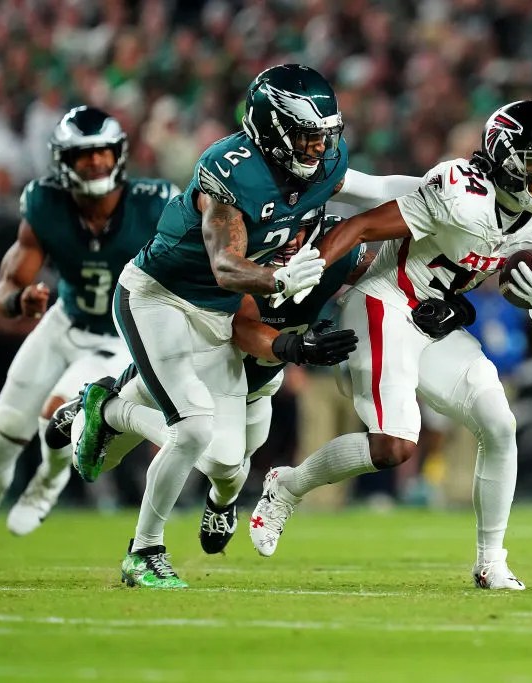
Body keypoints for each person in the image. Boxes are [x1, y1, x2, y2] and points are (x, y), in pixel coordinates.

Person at [71, 64, 420, 588]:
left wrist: (446, 194)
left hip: (219, 312)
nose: (317, 150)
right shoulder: (230, 169)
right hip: (161, 296)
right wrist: (280, 280)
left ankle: (115, 407)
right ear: (271, 128)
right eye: (305, 137)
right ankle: (144, 549)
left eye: (324, 138)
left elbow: (374, 189)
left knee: (227, 460)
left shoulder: (322, 166)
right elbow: (226, 266)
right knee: (192, 427)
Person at [248, 100, 532, 591]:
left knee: (500, 424)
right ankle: (287, 487)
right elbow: (358, 225)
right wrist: (304, 270)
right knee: (394, 446)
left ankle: (492, 561)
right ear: (506, 160)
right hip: (387, 298)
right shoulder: (460, 193)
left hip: (436, 319)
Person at [49, 214, 366, 556]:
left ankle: (219, 505)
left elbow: (385, 271)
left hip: (256, 385)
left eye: (299, 230)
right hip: (197, 367)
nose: (289, 239)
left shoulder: (335, 252)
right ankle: (108, 408)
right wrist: (296, 346)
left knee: (233, 468)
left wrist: (420, 299)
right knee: (120, 461)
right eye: (284, 228)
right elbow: (243, 326)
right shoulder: (239, 254)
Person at [0, 106, 176, 562]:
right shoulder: (45, 204)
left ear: (119, 155)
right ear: (62, 162)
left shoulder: (154, 203)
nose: (95, 164)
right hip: (64, 322)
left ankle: (47, 483)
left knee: (56, 414)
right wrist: (18, 301)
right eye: (84, 156)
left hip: (119, 337)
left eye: (103, 153)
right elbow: (6, 286)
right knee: (0, 439)